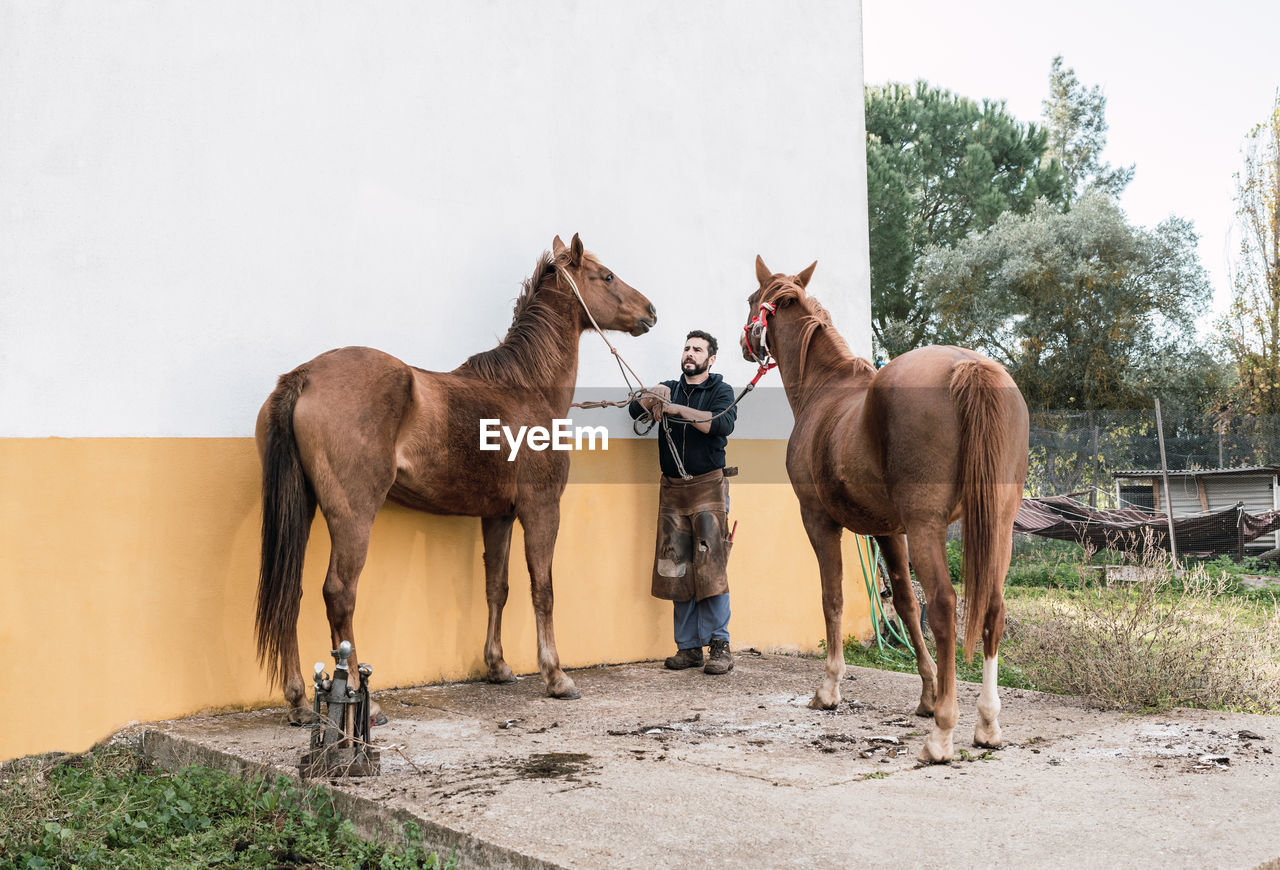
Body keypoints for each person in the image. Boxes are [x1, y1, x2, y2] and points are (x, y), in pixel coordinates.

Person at [629, 330, 738, 675]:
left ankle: (719, 646)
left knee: (711, 569)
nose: (690, 353)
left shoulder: (721, 391)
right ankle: (688, 647)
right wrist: (649, 397)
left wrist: (675, 408)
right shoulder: (668, 386)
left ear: (711, 358)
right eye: (687, 348)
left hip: (708, 487)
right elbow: (634, 409)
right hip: (673, 490)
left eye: (697, 349)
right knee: (677, 568)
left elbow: (721, 424)